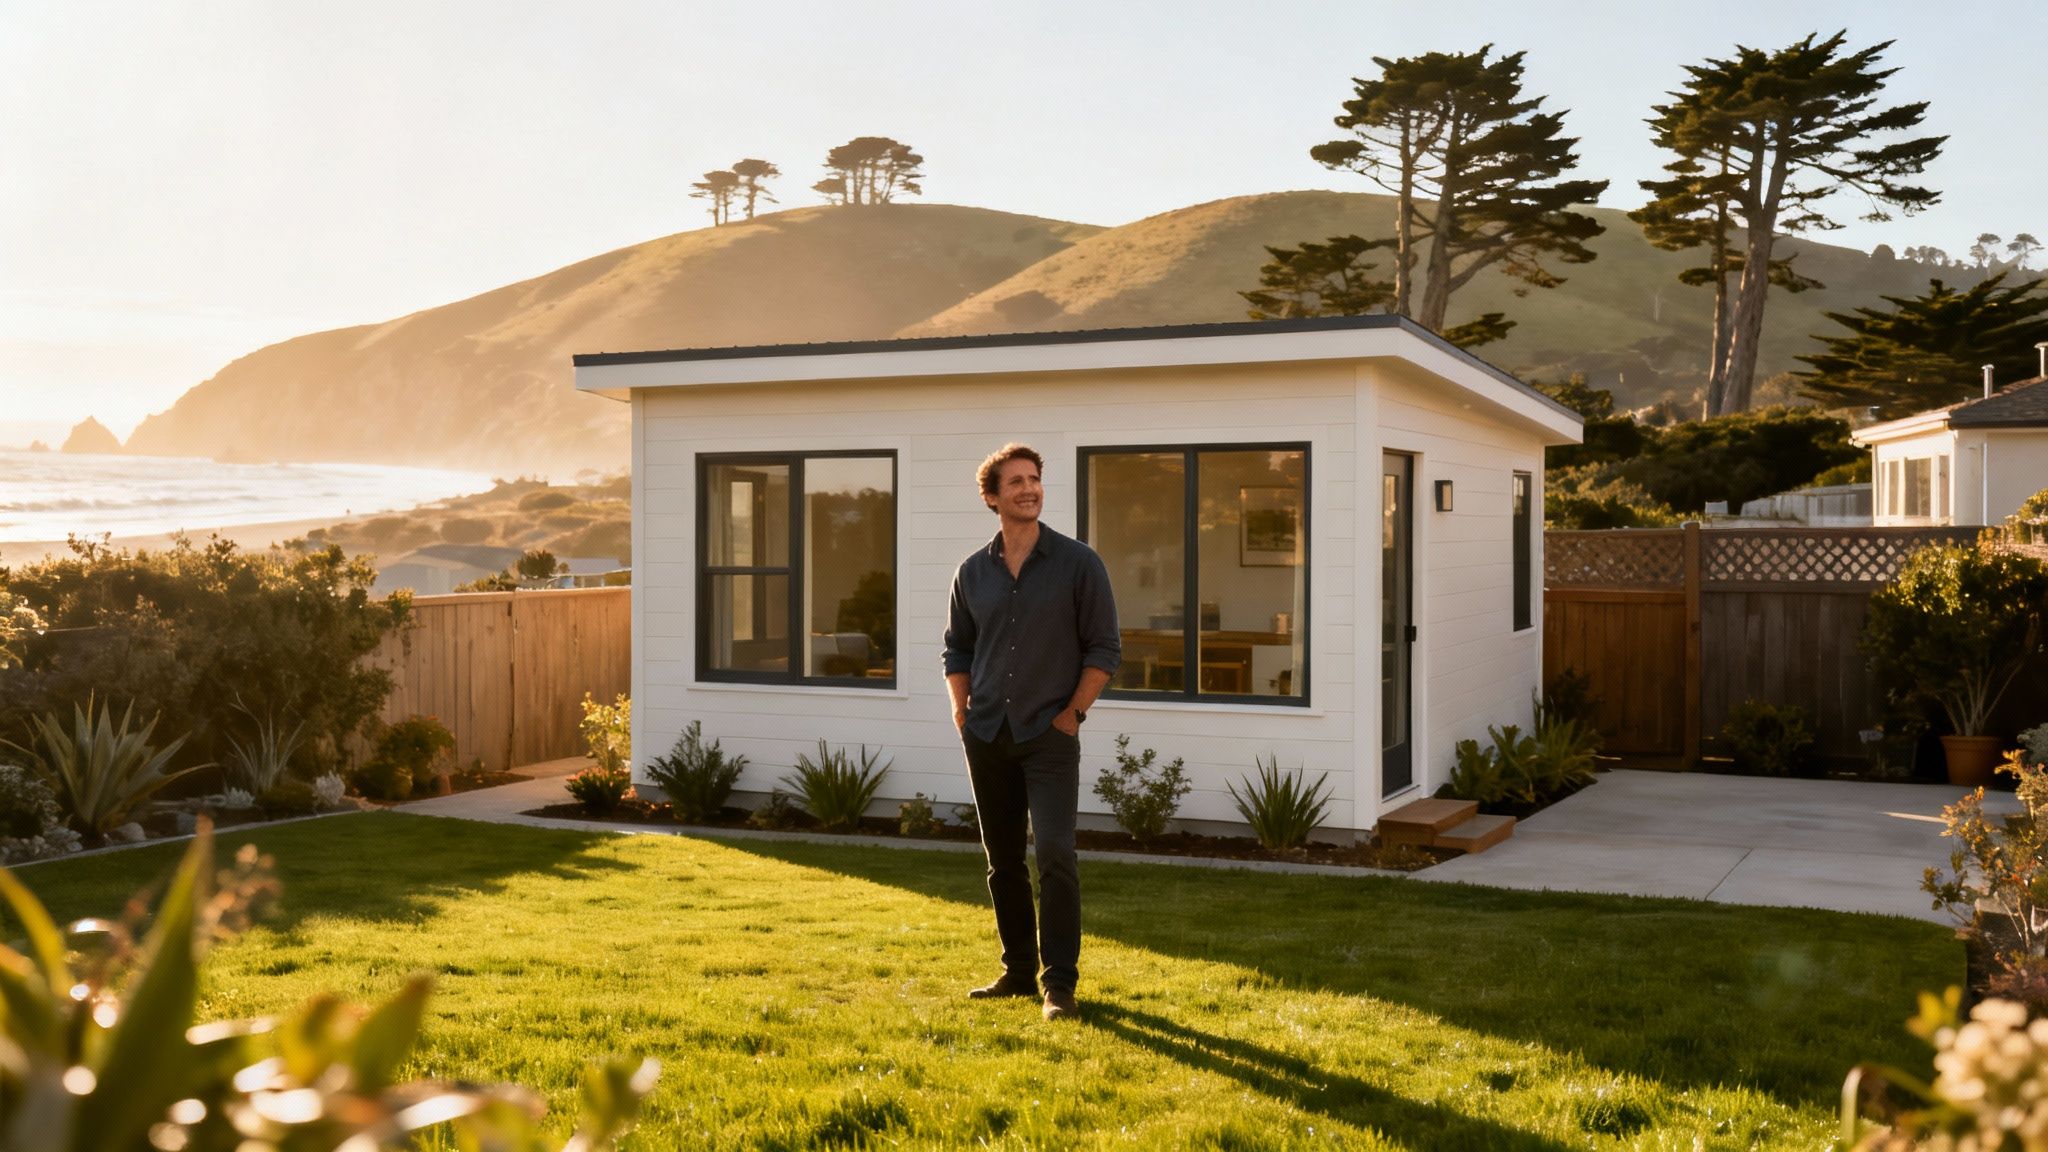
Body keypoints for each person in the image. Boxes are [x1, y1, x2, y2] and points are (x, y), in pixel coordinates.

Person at [943, 442, 1119, 1022]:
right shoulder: (972, 572)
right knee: (1002, 861)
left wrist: (1071, 715)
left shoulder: (1078, 564)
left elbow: (1104, 649)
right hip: (987, 731)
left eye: (1035, 479)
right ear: (992, 497)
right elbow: (958, 648)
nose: (1029, 489)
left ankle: (1059, 985)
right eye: (1015, 481)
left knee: (1055, 854)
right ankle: (1018, 971)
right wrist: (961, 711)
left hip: (1049, 733)